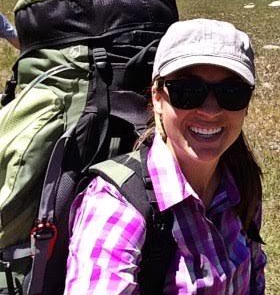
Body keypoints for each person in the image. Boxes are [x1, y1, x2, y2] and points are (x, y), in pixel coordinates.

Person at [64, 19, 266, 294]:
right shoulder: (116, 206)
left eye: (231, 93)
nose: (210, 110)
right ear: (157, 97)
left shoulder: (243, 186)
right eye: (187, 92)